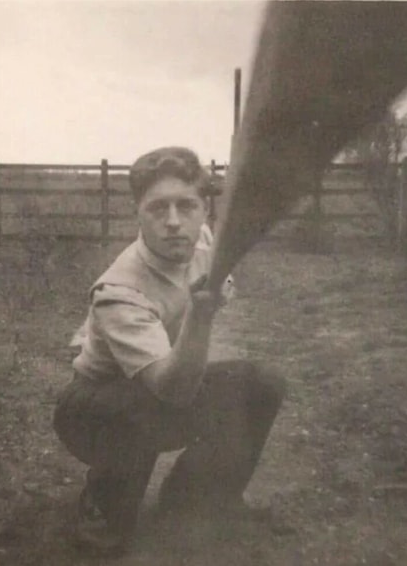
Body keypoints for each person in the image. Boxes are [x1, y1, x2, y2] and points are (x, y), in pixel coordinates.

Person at [53, 146, 285, 555]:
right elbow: (172, 390)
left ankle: (192, 501)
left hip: (152, 383)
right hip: (93, 407)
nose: (174, 222)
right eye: (158, 208)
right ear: (136, 213)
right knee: (148, 408)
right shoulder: (119, 290)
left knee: (260, 384)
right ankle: (103, 507)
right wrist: (199, 316)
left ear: (204, 212)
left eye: (187, 206)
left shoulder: (204, 243)